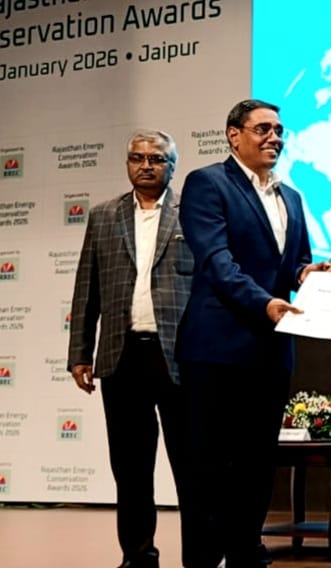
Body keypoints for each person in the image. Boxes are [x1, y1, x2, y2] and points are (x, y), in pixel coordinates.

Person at [176, 99, 325, 568]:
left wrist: (309, 274)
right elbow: (217, 262)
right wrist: (264, 303)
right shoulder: (207, 183)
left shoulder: (291, 196)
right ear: (233, 135)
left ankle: (245, 553)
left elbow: (296, 261)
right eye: (262, 129)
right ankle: (203, 561)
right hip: (216, 350)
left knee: (257, 464)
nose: (274, 137)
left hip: (271, 350)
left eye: (279, 130)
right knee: (207, 466)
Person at [68, 129, 195, 568]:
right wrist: (80, 353)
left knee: (192, 467)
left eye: (156, 159)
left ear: (172, 166)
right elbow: (86, 288)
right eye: (138, 158)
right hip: (121, 357)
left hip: (181, 356)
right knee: (130, 468)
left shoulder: (193, 213)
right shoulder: (104, 216)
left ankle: (199, 558)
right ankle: (137, 556)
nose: (146, 165)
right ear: (127, 164)